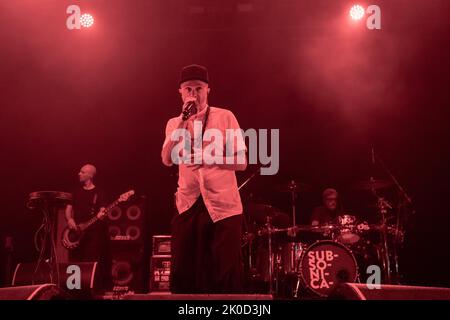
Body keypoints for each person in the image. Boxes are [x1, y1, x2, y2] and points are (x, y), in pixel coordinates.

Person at [161, 64, 247, 293]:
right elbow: (166, 159)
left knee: (225, 272)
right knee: (184, 272)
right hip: (188, 203)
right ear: (180, 92)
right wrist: (182, 119)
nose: (193, 94)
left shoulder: (225, 116)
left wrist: (210, 158)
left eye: (198, 88)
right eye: (188, 89)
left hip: (223, 205)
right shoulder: (173, 122)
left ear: (208, 89)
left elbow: (242, 162)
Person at [64, 164, 112, 291]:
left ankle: (91, 289)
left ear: (90, 175)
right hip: (76, 233)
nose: (79, 174)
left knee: (91, 262)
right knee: (74, 262)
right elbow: (68, 209)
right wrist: (70, 219)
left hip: (93, 234)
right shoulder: (75, 192)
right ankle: (73, 290)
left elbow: (103, 210)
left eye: (82, 172)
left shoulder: (99, 192)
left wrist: (102, 214)